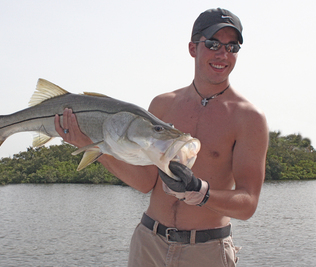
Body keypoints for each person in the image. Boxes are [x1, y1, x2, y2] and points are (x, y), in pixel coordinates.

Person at [55, 8, 268, 267]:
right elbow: (145, 182)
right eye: (213, 44)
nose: (222, 54)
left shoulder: (249, 118)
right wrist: (94, 147)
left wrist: (201, 193)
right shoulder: (162, 105)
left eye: (232, 47)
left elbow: (248, 204)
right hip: (149, 243)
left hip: (207, 251)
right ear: (193, 48)